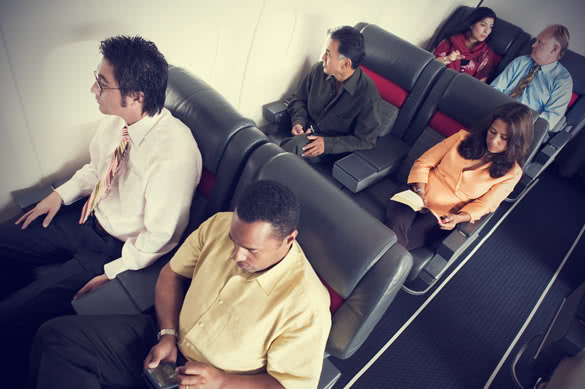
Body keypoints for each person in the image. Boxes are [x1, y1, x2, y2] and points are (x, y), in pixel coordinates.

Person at [0, 35, 201, 385]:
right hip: (83, 219)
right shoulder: (116, 120)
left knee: (12, 315)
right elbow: (97, 169)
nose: (93, 89)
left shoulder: (174, 156)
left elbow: (160, 238)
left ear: (136, 96)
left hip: (111, 249)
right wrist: (59, 195)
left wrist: (113, 271)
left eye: (102, 83)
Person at [29, 180, 332, 389]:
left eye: (251, 250)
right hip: (167, 341)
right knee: (55, 337)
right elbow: (171, 274)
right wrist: (167, 335)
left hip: (217, 382)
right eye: (234, 240)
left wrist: (223, 381)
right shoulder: (219, 224)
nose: (236, 255)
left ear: (288, 239)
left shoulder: (307, 305)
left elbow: (290, 385)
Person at [385, 102, 533, 250]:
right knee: (396, 227)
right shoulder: (462, 138)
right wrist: (420, 192)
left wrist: (457, 218)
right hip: (416, 193)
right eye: (492, 132)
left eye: (504, 138)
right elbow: (424, 162)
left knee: (399, 246)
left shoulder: (512, 173)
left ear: (516, 142)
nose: (494, 141)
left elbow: (485, 205)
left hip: (443, 215)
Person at [280, 25, 382, 161]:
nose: (322, 57)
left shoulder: (368, 96)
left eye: (328, 54)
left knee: (290, 150)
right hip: (305, 131)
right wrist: (298, 121)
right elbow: (299, 99)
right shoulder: (318, 71)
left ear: (345, 64)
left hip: (329, 150)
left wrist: (327, 145)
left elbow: (365, 140)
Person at [491, 25, 573, 131]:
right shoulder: (520, 61)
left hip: (522, 129)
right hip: (496, 114)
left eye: (540, 42)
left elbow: (548, 121)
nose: (533, 45)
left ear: (554, 49)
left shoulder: (563, 81)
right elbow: (494, 89)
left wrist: (515, 124)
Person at [434, 7, 500, 82]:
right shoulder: (451, 40)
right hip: (439, 82)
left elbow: (480, 85)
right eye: (483, 25)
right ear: (471, 24)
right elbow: (433, 65)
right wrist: (448, 59)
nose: (487, 31)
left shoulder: (486, 53)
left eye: (491, 27)